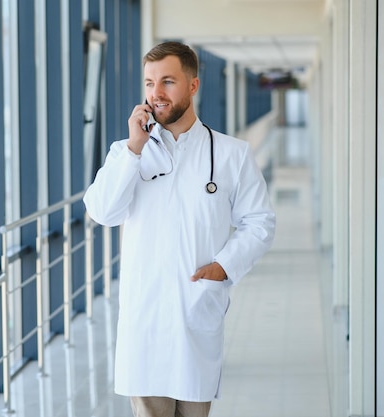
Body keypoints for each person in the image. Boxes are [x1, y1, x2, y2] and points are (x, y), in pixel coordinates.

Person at [83, 41, 276, 417]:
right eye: (149, 83)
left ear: (193, 85)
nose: (156, 94)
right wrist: (135, 151)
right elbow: (102, 211)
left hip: (195, 312)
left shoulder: (231, 154)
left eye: (167, 82)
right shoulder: (126, 153)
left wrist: (224, 266)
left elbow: (260, 222)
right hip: (146, 323)